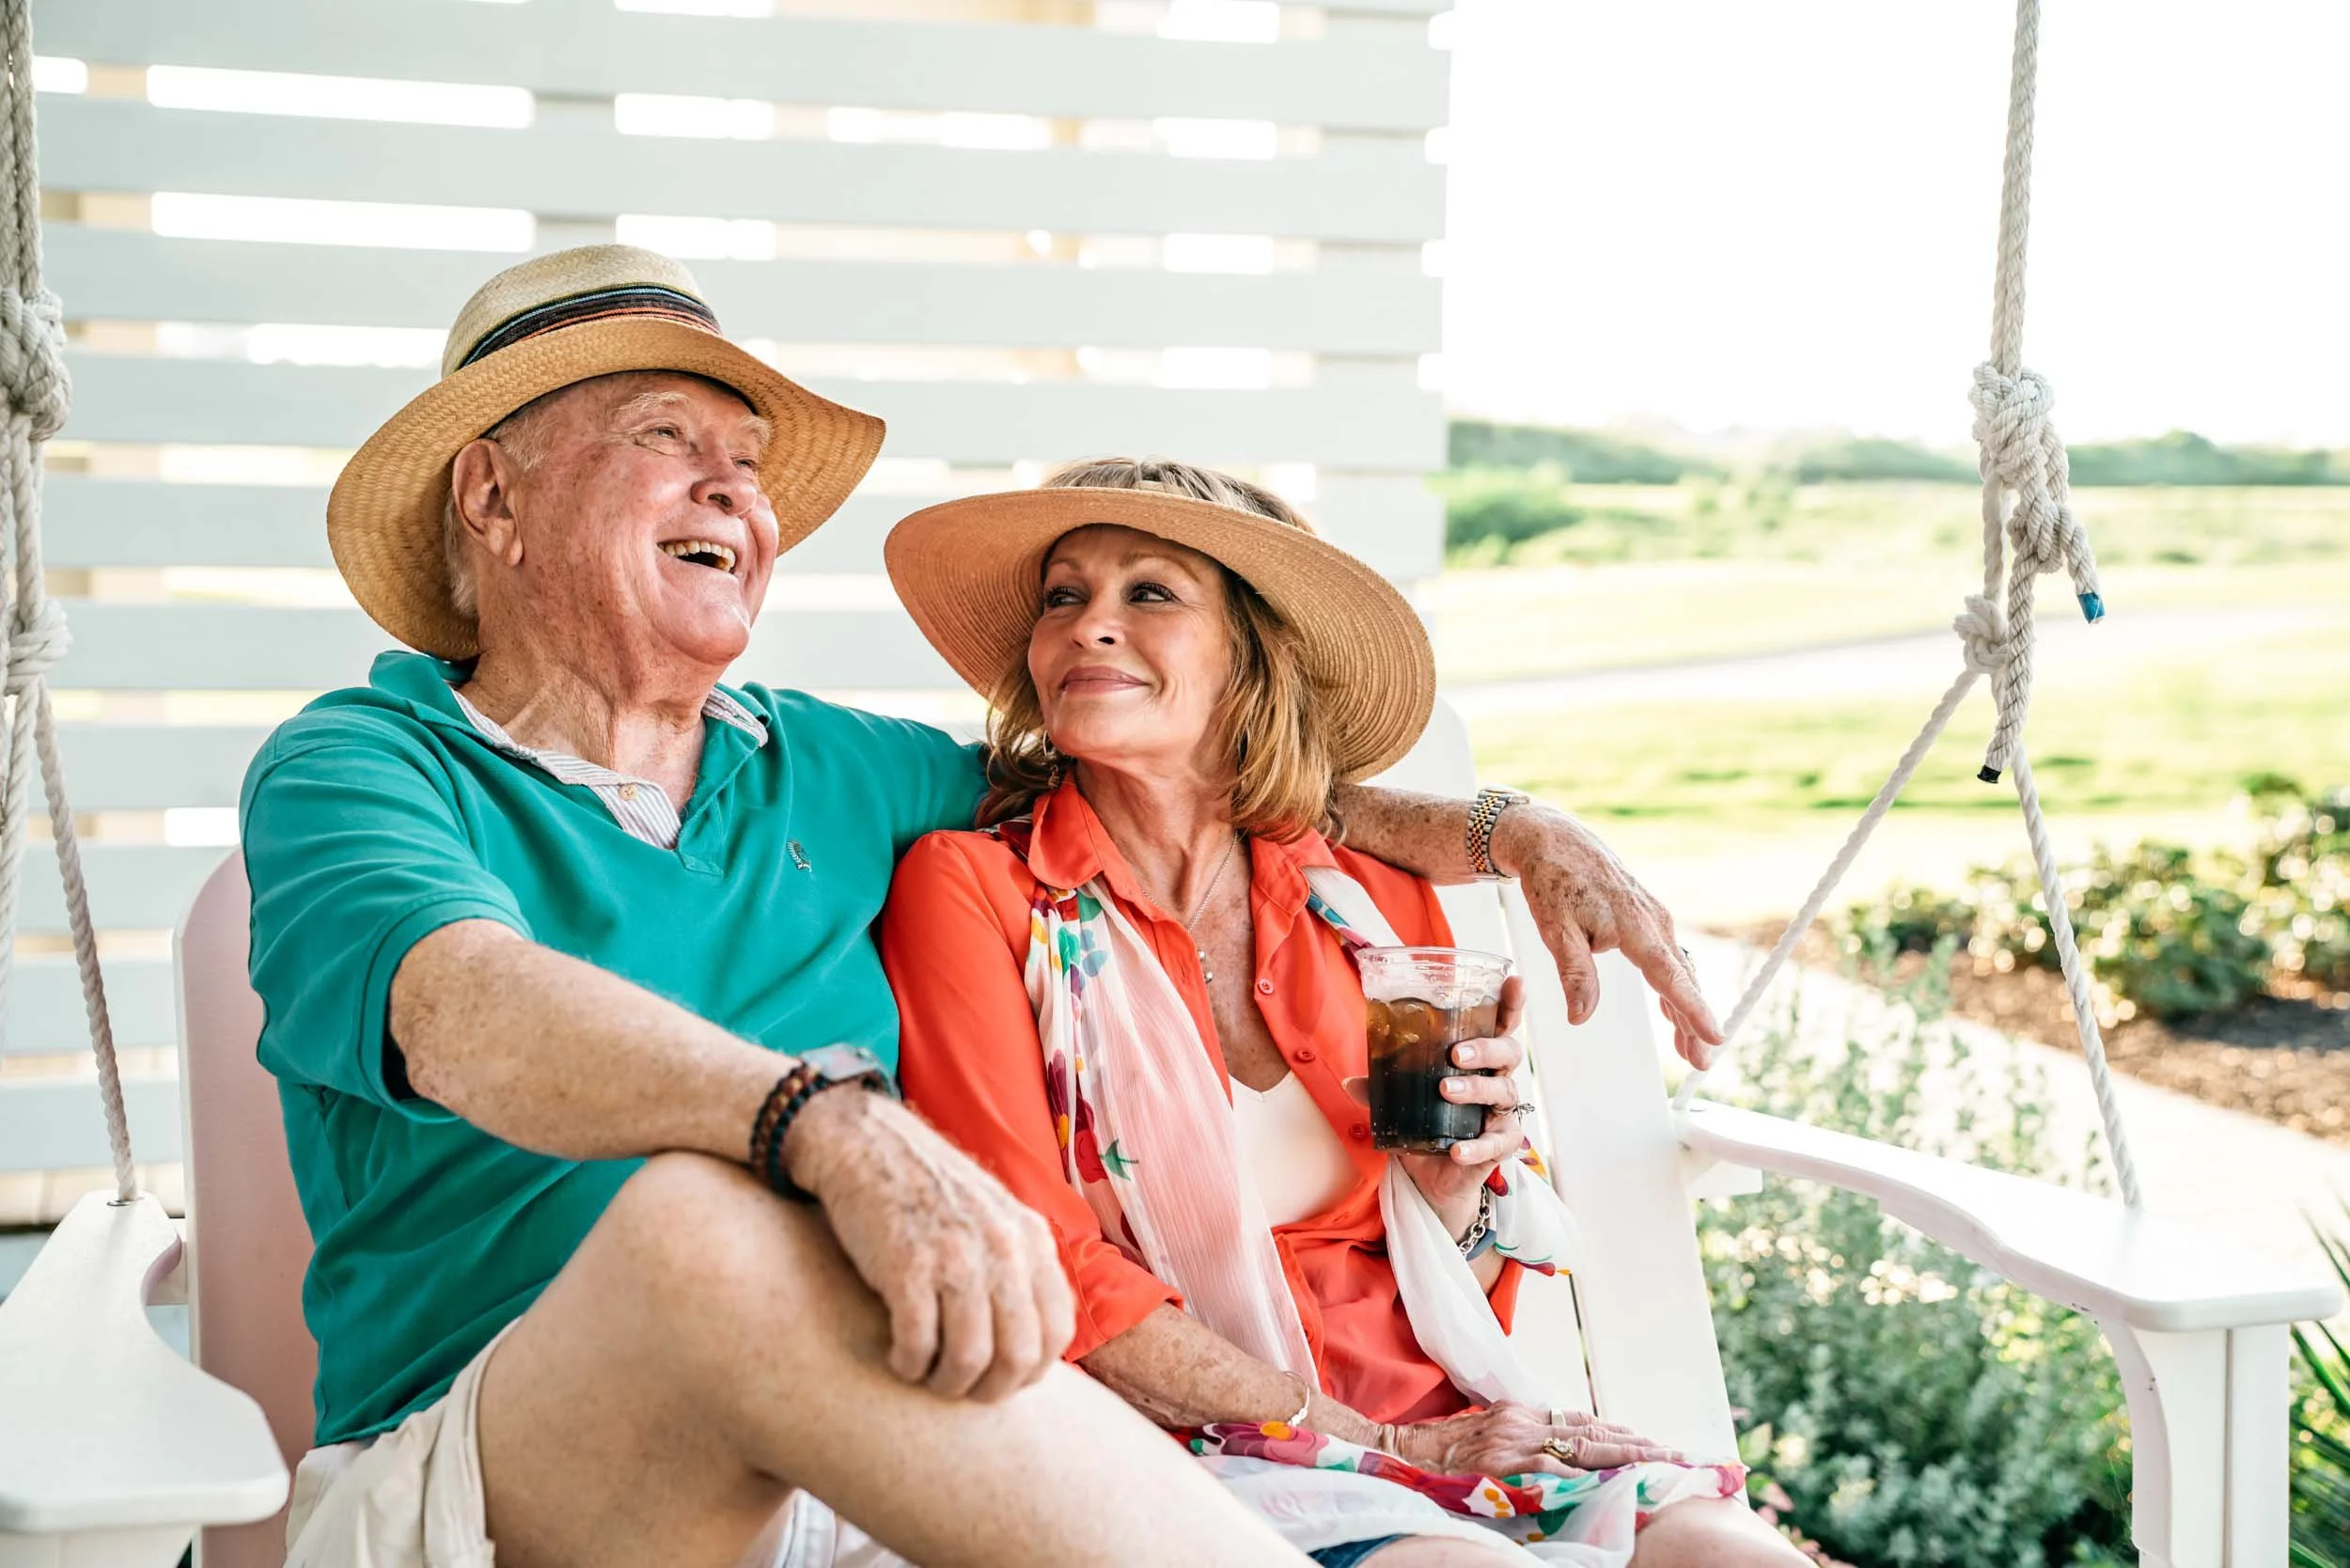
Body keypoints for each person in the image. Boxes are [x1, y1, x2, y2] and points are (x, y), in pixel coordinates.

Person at [244, 244, 1725, 1568]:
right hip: (514, 1475)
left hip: (894, 1465)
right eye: (666, 441)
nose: (736, 497)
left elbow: (1177, 767)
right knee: (707, 1229)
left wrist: (1501, 826)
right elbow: (460, 1009)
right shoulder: (360, 767)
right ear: (492, 495)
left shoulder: (826, 768)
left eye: (750, 465)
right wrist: (823, 1123)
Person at [879, 461, 1805, 1566]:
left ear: (1250, 656)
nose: (1092, 627)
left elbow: (1441, 1271)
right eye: (1064, 597)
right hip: (1184, 1455)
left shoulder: (1368, 902)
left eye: (1151, 594)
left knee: (1728, 1552)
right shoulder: (975, 892)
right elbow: (1041, 1259)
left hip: (1446, 1422)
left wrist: (1459, 1189)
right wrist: (1369, 1445)